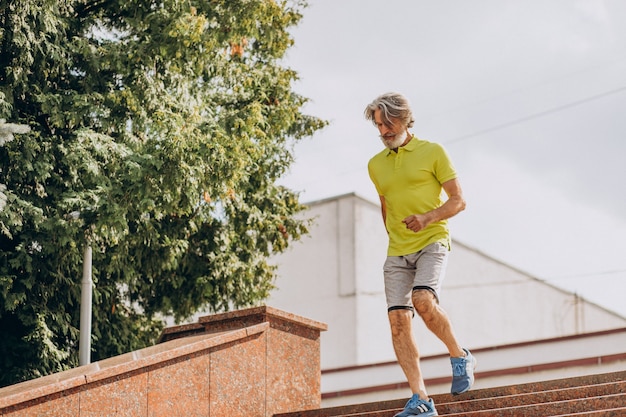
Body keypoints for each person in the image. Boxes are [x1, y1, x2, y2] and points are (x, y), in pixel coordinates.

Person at [364, 92, 476, 417]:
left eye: (388, 123)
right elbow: (386, 208)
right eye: (379, 125)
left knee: (423, 300)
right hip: (397, 251)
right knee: (398, 322)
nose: (383, 130)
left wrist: (426, 219)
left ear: (404, 118)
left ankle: (459, 355)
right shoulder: (375, 165)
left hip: (432, 240)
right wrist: (395, 240)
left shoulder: (433, 152)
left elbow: (458, 200)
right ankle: (421, 399)